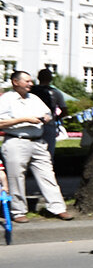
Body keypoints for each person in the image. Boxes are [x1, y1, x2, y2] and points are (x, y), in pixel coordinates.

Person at [0, 71, 73, 223]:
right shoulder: (6, 99)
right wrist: (25, 119)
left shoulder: (34, 98)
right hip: (16, 141)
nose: (31, 84)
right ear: (15, 82)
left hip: (38, 141)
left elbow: (48, 114)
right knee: (16, 177)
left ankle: (58, 208)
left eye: (31, 81)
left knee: (47, 174)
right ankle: (18, 211)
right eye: (27, 81)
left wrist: (46, 118)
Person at [29, 68, 67, 159]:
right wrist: (56, 118)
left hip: (31, 123)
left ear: (38, 78)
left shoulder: (30, 91)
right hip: (49, 124)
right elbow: (64, 111)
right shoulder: (56, 92)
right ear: (51, 79)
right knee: (48, 153)